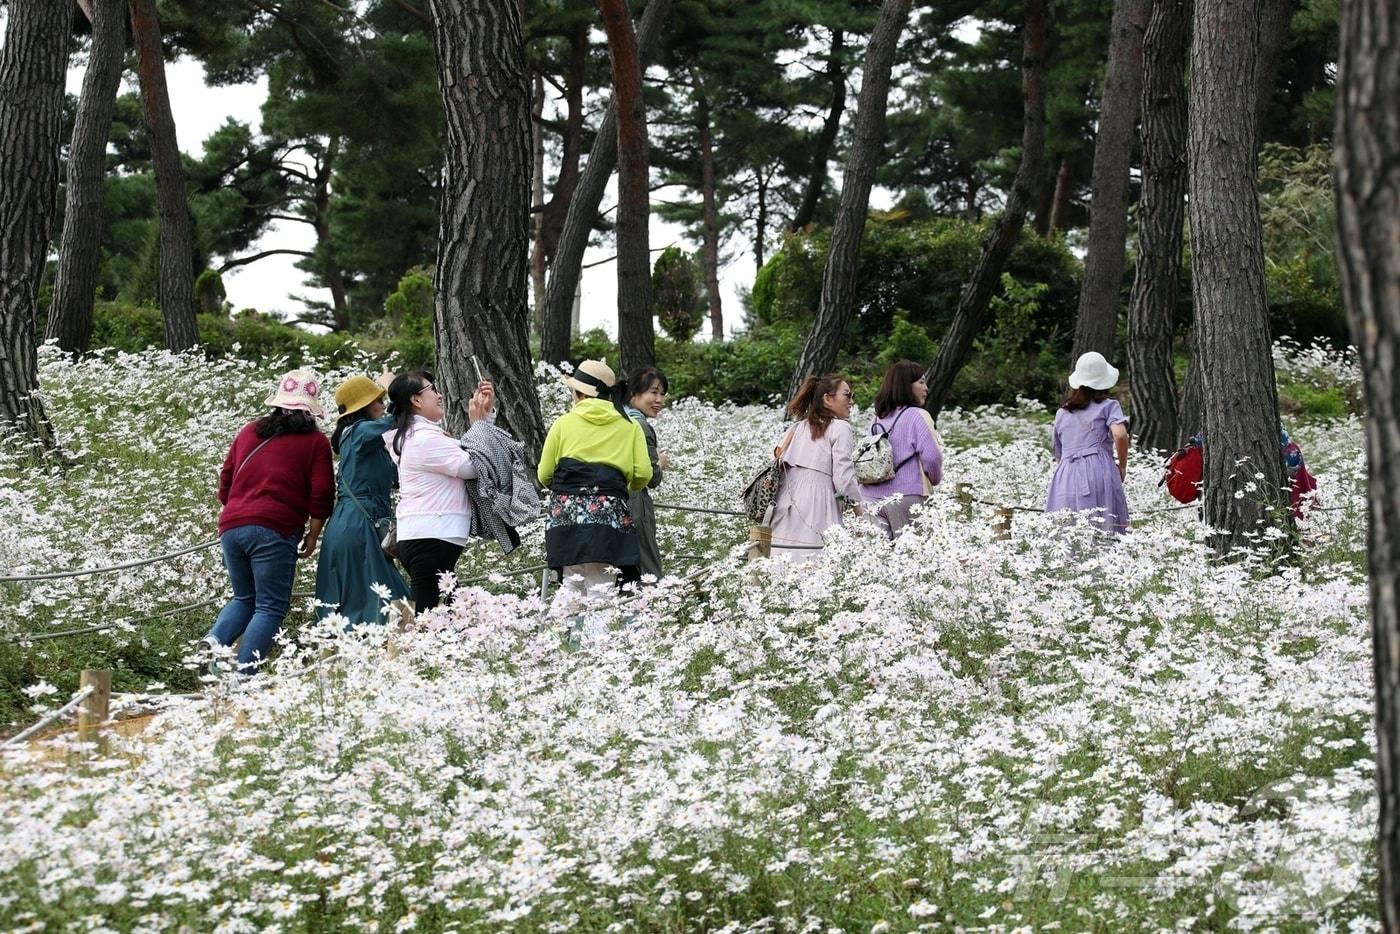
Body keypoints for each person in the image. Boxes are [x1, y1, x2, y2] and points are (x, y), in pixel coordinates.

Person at [202, 369, 334, 675]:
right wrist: (313, 534)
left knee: (244, 598)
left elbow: (226, 478)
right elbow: (322, 492)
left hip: (232, 525)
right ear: (310, 409)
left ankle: (215, 640)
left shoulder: (249, 431)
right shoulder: (314, 442)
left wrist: (238, 509)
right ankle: (244, 676)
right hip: (275, 529)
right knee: (270, 606)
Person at [537, 359, 652, 607]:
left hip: (566, 516)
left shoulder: (563, 423)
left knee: (570, 583)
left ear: (580, 393)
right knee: (602, 587)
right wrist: (619, 488)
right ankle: (596, 643)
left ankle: (560, 641)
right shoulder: (629, 427)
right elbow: (643, 474)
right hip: (609, 515)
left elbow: (544, 474)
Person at [385, 370, 495, 612]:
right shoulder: (423, 439)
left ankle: (404, 645)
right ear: (416, 400)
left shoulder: (418, 435)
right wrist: (478, 425)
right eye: (433, 389)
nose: (440, 394)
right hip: (430, 534)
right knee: (426, 614)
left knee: (446, 607)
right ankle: (401, 649)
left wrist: (484, 420)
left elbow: (470, 454)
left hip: (429, 533)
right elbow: (472, 466)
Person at [314, 374, 409, 628]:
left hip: (356, 522)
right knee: (386, 597)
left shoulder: (367, 442)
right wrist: (394, 388)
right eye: (378, 400)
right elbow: (393, 419)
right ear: (363, 407)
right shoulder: (357, 432)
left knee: (362, 600)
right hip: (358, 524)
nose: (381, 404)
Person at [768, 373, 864, 562]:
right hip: (819, 503)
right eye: (847, 395)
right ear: (828, 399)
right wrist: (859, 510)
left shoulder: (796, 428)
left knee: (783, 563)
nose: (851, 401)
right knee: (817, 562)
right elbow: (843, 477)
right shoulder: (840, 427)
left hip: (786, 503)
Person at [1044, 351, 1129, 533]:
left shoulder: (1062, 413)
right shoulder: (1109, 406)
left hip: (1066, 475)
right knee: (1104, 527)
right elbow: (1120, 435)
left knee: (1069, 530)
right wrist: (1122, 466)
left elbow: (1059, 455)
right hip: (1098, 470)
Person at [859, 360, 943, 537]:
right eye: (921, 382)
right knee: (914, 557)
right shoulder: (918, 415)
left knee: (875, 559)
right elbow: (932, 457)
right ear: (906, 386)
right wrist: (934, 479)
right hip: (907, 497)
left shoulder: (876, 419)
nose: (926, 388)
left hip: (869, 499)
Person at [621, 366, 669, 580]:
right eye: (653, 392)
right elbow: (651, 478)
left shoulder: (617, 418)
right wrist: (660, 463)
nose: (659, 400)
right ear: (633, 393)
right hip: (635, 504)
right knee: (648, 571)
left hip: (608, 505)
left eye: (662, 394)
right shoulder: (640, 425)